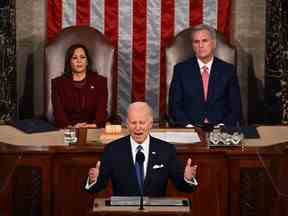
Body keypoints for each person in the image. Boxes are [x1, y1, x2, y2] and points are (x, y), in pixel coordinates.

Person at [85, 102, 198, 196]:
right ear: (127, 124)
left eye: (142, 123)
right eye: (133, 123)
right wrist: (93, 179)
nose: (137, 127)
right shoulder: (113, 149)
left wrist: (187, 178)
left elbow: (182, 186)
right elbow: (95, 187)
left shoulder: (166, 149)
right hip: (123, 212)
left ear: (150, 124)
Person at [169, 24, 242, 127]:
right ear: (193, 46)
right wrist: (188, 126)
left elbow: (235, 107)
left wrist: (223, 125)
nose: (200, 45)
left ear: (213, 44)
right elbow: (174, 107)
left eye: (204, 41)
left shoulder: (228, 70)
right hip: (190, 128)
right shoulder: (181, 70)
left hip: (220, 129)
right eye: (196, 42)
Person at [51, 44, 108, 128]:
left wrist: (94, 125)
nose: (79, 61)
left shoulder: (100, 82)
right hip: (68, 131)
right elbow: (58, 113)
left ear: (87, 61)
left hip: (93, 128)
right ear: (69, 62)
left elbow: (102, 110)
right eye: (74, 58)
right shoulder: (58, 83)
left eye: (82, 57)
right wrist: (70, 127)